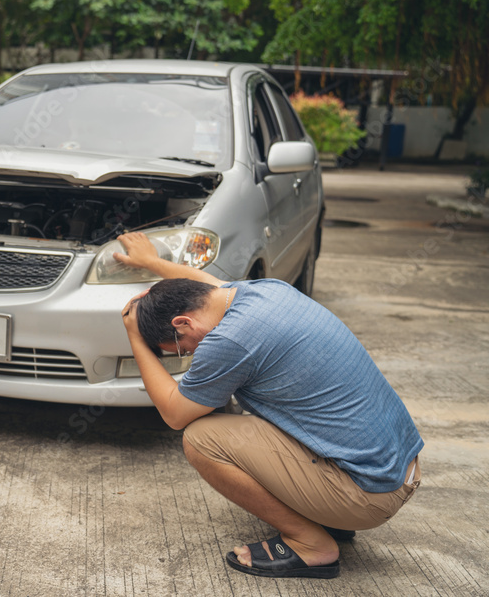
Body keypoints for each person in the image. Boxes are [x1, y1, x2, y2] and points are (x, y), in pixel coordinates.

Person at [114, 231, 423, 580]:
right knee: (250, 414)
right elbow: (208, 283)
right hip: (399, 468)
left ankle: (312, 545)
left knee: (201, 438)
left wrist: (134, 336)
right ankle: (326, 514)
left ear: (182, 323)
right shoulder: (264, 291)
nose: (192, 354)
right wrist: (152, 262)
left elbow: (173, 413)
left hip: (368, 495)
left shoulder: (228, 340)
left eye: (182, 348)